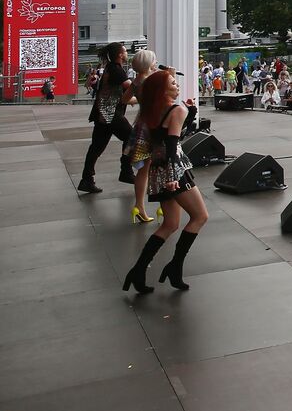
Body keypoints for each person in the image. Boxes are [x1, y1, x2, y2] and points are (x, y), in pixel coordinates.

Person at [122, 70, 209, 293]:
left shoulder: (152, 111)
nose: (177, 85)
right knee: (200, 217)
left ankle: (138, 270)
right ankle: (175, 267)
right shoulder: (176, 110)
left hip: (157, 171)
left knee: (170, 224)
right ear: (163, 90)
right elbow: (172, 146)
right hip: (175, 171)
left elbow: (169, 136)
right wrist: (172, 178)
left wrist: (190, 112)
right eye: (172, 83)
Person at [78, 43, 136, 194]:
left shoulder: (112, 68)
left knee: (96, 148)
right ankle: (126, 171)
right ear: (120, 54)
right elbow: (131, 87)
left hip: (102, 113)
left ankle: (86, 180)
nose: (127, 53)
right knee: (131, 137)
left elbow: (123, 95)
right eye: (125, 51)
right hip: (110, 113)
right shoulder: (116, 69)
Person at [122, 50, 161, 223]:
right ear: (148, 63)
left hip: (140, 125)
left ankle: (139, 206)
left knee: (143, 170)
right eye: (154, 60)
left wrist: (139, 100)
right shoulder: (151, 80)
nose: (156, 63)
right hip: (152, 126)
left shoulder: (136, 81)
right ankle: (163, 206)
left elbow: (124, 99)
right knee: (158, 166)